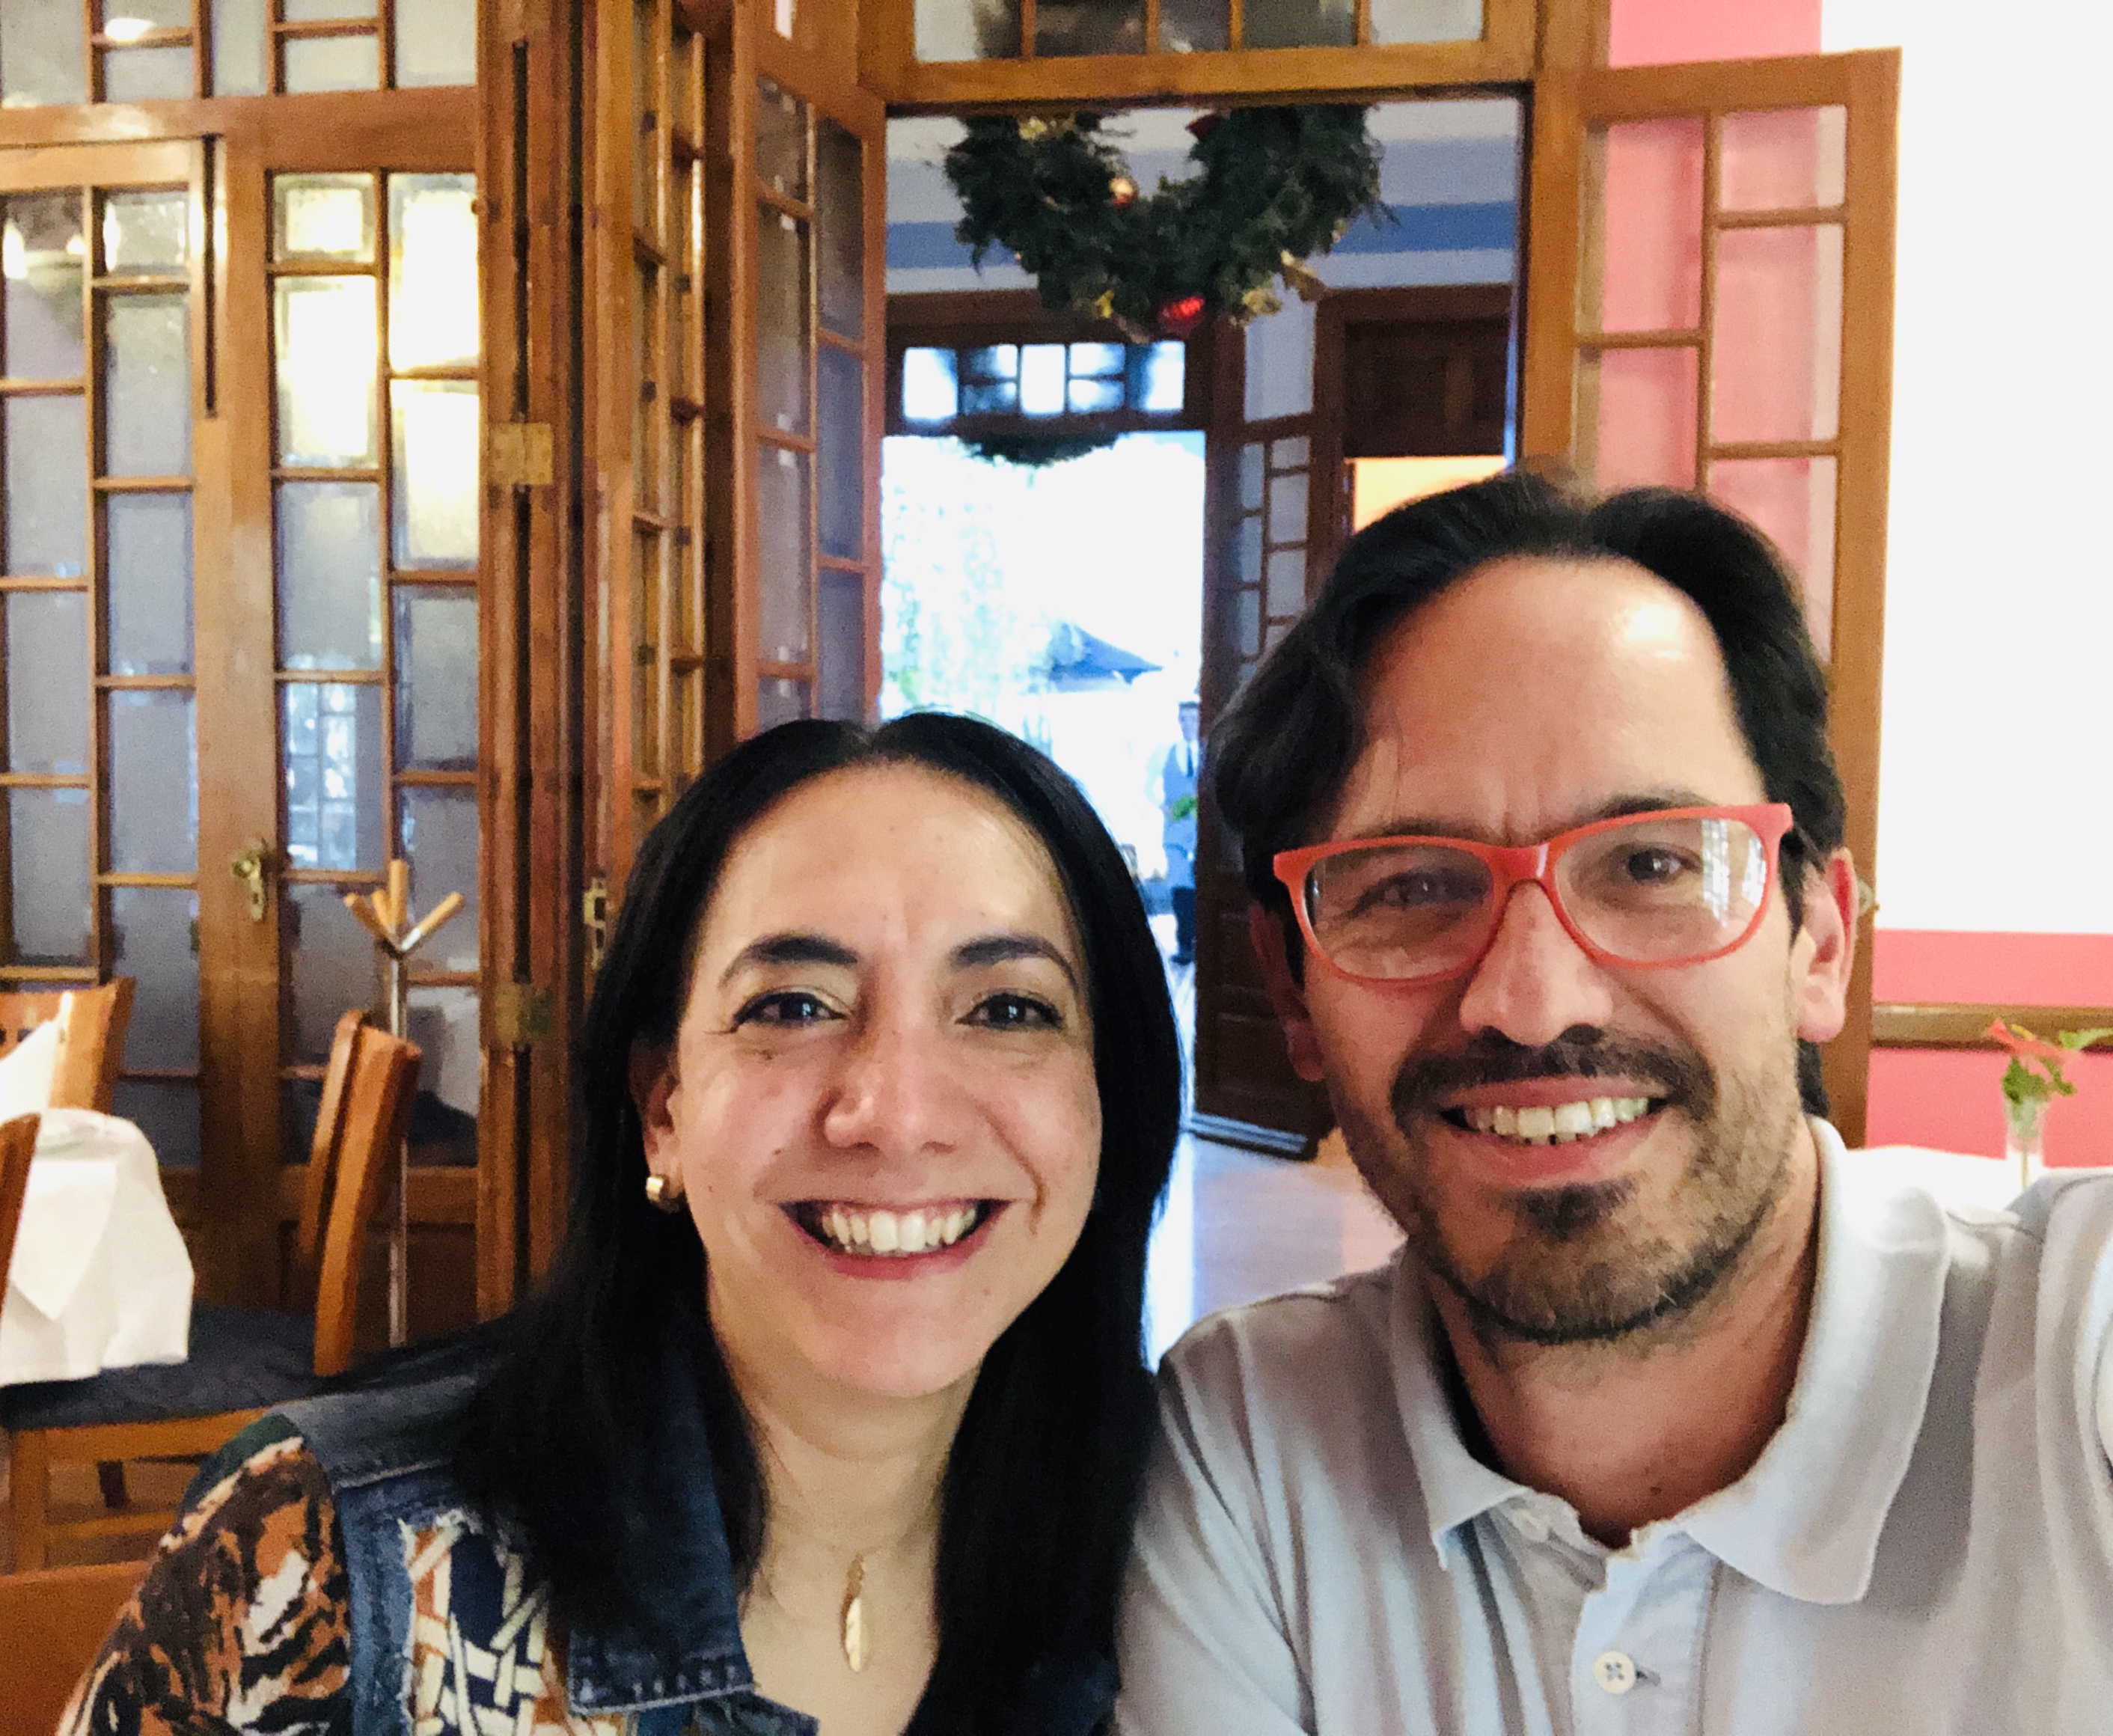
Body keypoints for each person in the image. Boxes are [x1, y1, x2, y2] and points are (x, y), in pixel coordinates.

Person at [1114, 472, 2113, 1733]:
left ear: (1817, 940)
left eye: (1650, 864)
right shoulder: (1253, 1444)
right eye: (1410, 887)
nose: (1531, 1002)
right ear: (1292, 994)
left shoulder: (2075, 1355)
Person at [65, 712, 1181, 1736]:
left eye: (1007, 1009)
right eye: (793, 1006)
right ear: (663, 1112)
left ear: (1108, 1101)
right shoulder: (335, 1567)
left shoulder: (1184, 1543)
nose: (895, 1113)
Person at [1149, 700, 1202, 967]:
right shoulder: (1166, 753)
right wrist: (1162, 806)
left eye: (1193, 719)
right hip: (1175, 833)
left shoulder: (1210, 752)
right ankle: (1184, 944)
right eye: (1184, 719)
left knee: (1203, 887)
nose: (1188, 725)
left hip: (1204, 834)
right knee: (1181, 888)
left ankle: (1204, 944)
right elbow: (1147, 784)